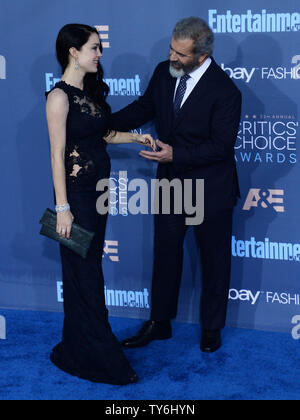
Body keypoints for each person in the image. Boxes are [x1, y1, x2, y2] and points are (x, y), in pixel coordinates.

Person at [110, 17, 242, 353]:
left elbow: (221, 146)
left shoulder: (226, 91)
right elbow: (143, 107)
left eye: (180, 54)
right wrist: (103, 122)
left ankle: (212, 328)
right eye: (171, 48)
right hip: (171, 186)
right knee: (165, 254)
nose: (172, 57)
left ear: (201, 56)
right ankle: (160, 322)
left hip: (211, 188)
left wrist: (175, 154)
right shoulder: (162, 71)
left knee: (214, 260)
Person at [45, 23, 155, 384]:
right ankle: (99, 358)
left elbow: (104, 134)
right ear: (73, 51)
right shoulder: (58, 97)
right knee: (84, 276)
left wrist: (136, 136)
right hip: (76, 200)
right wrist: (62, 208)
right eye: (94, 48)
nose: (99, 55)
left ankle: (81, 347)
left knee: (86, 271)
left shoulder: (89, 93)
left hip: (99, 196)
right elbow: (56, 155)